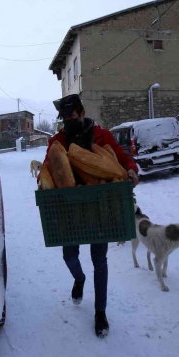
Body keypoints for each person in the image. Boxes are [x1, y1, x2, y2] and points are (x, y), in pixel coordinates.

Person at [42, 93, 139, 337]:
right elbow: (48, 166)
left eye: (72, 117)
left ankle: (100, 312)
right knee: (69, 256)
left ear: (83, 113)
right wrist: (43, 181)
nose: (68, 123)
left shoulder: (102, 136)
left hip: (99, 207)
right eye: (64, 119)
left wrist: (131, 170)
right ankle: (79, 278)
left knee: (100, 260)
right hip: (69, 210)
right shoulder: (58, 141)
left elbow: (123, 157)